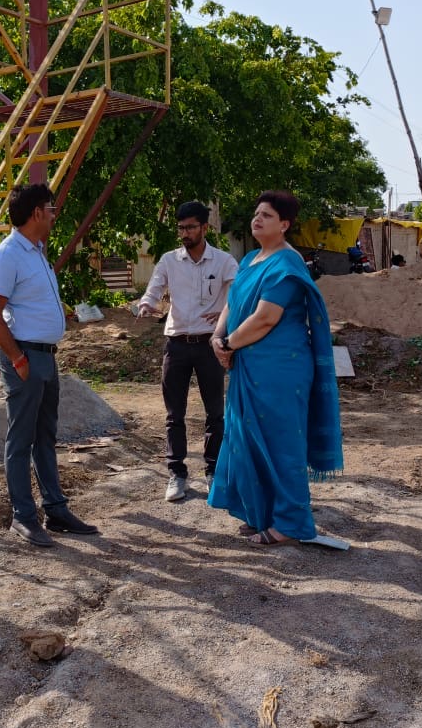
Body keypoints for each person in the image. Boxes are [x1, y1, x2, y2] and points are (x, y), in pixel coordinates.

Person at [208, 190, 344, 546]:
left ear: (284, 225)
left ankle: (289, 523)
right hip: (247, 365)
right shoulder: (251, 258)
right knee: (247, 438)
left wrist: (229, 343)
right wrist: (217, 336)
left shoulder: (286, 264)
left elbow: (267, 318)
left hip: (280, 370)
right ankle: (261, 514)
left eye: (267, 215)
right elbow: (233, 301)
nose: (257, 219)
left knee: (281, 444)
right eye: (256, 214)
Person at [0, 183, 98, 548]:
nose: (53, 215)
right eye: (51, 209)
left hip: (45, 356)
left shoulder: (36, 252)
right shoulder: (8, 255)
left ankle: (56, 510)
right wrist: (18, 359)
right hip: (26, 358)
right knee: (21, 439)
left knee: (46, 435)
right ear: (36, 213)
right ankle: (23, 516)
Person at [138, 201, 238, 502]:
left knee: (215, 413)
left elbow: (238, 292)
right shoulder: (170, 260)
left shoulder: (223, 261)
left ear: (205, 228)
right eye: (181, 228)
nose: (185, 233)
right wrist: (147, 303)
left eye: (191, 227)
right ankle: (177, 473)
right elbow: (154, 287)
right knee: (174, 414)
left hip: (209, 345)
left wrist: (223, 312)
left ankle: (213, 471)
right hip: (177, 345)